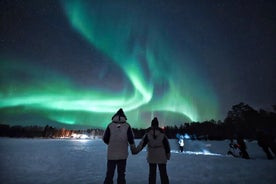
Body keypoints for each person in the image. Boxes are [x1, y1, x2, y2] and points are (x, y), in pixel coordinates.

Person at [133, 117, 171, 184]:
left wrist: (135, 151)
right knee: (163, 174)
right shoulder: (162, 135)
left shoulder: (147, 135)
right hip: (161, 157)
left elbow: (141, 144)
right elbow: (167, 146)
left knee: (152, 174)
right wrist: (168, 156)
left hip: (152, 157)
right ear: (157, 125)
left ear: (151, 125)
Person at [103, 108, 136, 184]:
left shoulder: (110, 125)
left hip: (111, 154)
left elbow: (105, 138)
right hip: (123, 154)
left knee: (109, 175)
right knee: (121, 175)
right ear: (124, 116)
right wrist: (132, 148)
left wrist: (111, 144)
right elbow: (131, 139)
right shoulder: (127, 126)